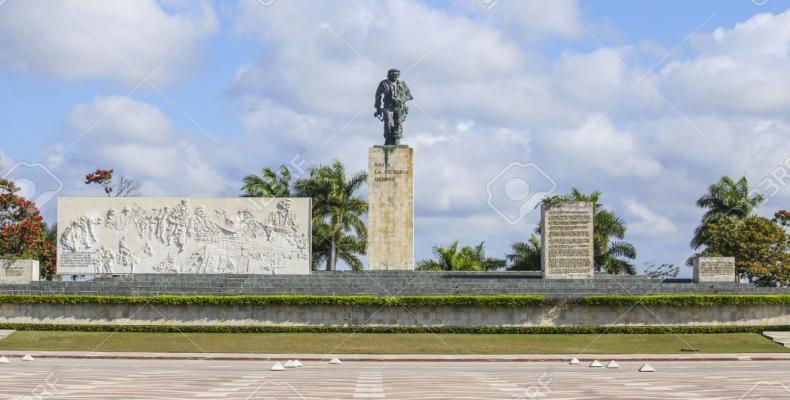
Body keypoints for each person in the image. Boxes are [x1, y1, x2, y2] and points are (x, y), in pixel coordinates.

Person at [374, 68, 413, 145]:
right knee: (388, 124)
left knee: (398, 124)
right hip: (388, 108)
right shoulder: (383, 83)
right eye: (393, 75)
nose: (395, 77)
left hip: (399, 107)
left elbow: (409, 96)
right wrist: (378, 108)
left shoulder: (402, 83)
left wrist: (401, 100)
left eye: (397, 75)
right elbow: (378, 96)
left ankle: (396, 140)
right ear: (389, 75)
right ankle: (388, 139)